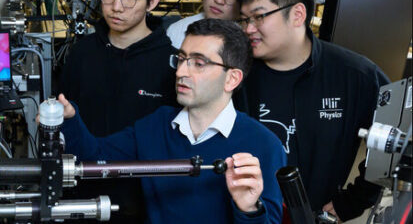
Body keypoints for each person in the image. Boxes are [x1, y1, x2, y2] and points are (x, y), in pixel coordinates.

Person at [58, 18, 286, 224]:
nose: (180, 72)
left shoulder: (264, 146)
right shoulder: (156, 126)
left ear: (232, 79)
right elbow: (95, 160)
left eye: (198, 63)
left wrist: (249, 210)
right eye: (181, 59)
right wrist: (69, 120)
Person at [234, 0, 390, 222]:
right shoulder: (236, 73)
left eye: (259, 17)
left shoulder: (354, 74)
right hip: (247, 215)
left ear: (297, 14)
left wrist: (355, 200)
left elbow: (394, 139)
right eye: (244, 19)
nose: (248, 28)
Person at [59, 0, 177, 222]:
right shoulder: (82, 53)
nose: (116, 6)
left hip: (143, 202)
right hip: (81, 194)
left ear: (153, 1)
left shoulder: (171, 63)